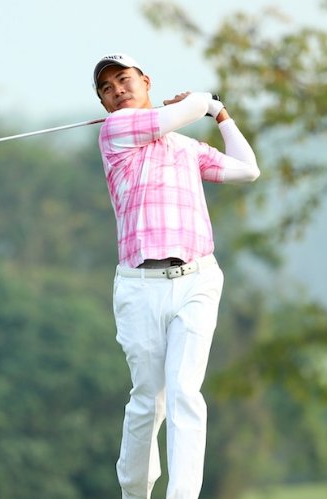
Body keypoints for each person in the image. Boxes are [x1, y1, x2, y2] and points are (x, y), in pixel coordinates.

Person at [93, 53, 260, 499]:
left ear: (146, 81)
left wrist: (221, 114)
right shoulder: (115, 132)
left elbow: (247, 169)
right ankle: (135, 492)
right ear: (104, 104)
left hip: (197, 279)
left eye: (124, 79)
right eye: (107, 88)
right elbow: (188, 109)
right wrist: (204, 101)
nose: (117, 90)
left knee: (185, 390)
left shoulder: (187, 148)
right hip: (139, 286)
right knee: (149, 398)